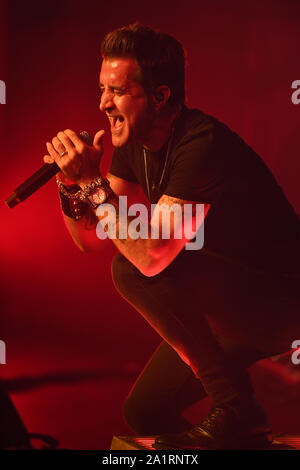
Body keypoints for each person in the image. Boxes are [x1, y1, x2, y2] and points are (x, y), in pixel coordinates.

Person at [43, 23, 300, 449]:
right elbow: (89, 238)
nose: (104, 103)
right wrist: (72, 187)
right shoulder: (135, 142)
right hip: (225, 306)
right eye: (102, 89)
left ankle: (236, 405)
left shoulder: (202, 143)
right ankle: (241, 420)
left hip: (280, 300)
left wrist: (92, 183)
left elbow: (150, 257)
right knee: (144, 412)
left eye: (118, 91)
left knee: (130, 267)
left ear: (161, 96)